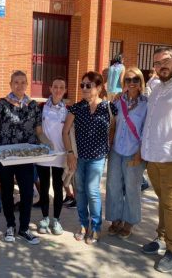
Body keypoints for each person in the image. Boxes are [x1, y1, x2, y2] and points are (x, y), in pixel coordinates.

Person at [0, 70, 52, 245]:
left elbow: (39, 132)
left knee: (26, 192)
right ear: (10, 84)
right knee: (7, 191)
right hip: (6, 157)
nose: (19, 85)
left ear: (26, 84)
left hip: (26, 157)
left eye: (23, 82)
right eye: (16, 82)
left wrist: (48, 144)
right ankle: (10, 225)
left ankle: (24, 228)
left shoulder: (33, 106)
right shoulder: (1, 104)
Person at [141, 47, 172, 273]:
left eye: (166, 61)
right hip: (154, 156)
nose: (162, 66)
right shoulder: (158, 86)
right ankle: (161, 238)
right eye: (157, 63)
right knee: (163, 201)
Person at [63, 71, 117, 244]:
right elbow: (65, 132)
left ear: (99, 87)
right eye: (82, 85)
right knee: (80, 192)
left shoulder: (108, 107)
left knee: (92, 191)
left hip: (98, 158)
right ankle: (83, 224)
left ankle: (95, 227)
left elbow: (113, 129)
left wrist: (106, 147)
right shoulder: (77, 107)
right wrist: (70, 153)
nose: (84, 88)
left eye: (88, 85)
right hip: (79, 157)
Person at [105, 67, 147, 239]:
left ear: (140, 82)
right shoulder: (117, 101)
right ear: (124, 83)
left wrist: (140, 152)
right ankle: (115, 219)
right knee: (113, 185)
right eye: (128, 80)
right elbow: (111, 123)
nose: (131, 83)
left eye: (135, 79)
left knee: (132, 187)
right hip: (116, 149)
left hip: (134, 151)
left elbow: (147, 129)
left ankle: (129, 222)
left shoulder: (147, 103)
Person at [36, 76, 68, 235]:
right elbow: (38, 130)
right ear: (50, 89)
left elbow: (69, 133)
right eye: (55, 87)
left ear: (65, 90)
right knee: (44, 187)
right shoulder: (41, 107)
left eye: (61, 87)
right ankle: (44, 218)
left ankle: (56, 220)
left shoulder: (68, 110)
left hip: (60, 154)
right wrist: (44, 143)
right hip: (43, 154)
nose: (58, 90)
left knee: (57, 186)